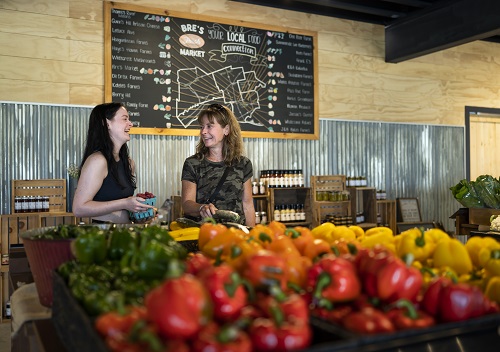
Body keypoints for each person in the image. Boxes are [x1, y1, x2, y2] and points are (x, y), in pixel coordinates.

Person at [72, 102, 153, 223]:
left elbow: (123, 209)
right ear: (107, 123)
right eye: (125, 119)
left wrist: (138, 213)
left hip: (124, 235)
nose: (130, 124)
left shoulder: (129, 163)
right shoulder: (97, 161)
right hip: (103, 236)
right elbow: (79, 209)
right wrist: (125, 203)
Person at [181, 103, 256, 227]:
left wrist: (252, 237)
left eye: (209, 126)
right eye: (202, 127)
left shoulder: (243, 164)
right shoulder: (193, 163)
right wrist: (201, 208)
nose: (203, 132)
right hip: (205, 233)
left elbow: (247, 205)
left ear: (226, 129)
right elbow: (187, 204)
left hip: (235, 235)